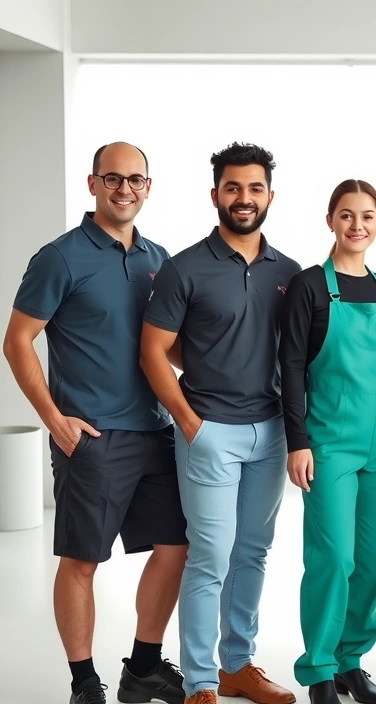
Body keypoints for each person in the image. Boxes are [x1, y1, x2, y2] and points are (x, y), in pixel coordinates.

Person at [3, 142, 188, 704]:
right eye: (112, 178)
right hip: (93, 435)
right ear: (93, 184)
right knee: (82, 560)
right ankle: (84, 682)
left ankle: (144, 668)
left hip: (156, 429)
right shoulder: (60, 258)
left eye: (135, 179)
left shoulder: (159, 258)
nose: (124, 189)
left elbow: (169, 346)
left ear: (148, 187)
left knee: (177, 547)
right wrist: (55, 420)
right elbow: (17, 341)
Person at [139, 142, 301, 704]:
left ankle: (237, 664)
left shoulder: (290, 273)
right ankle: (200, 681)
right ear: (215, 195)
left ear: (270, 196)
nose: (244, 197)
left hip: (271, 433)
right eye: (233, 187)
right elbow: (153, 351)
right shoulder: (184, 268)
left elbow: (296, 358)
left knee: (252, 551)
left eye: (255, 188)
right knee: (210, 555)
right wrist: (189, 423)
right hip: (209, 432)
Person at [279, 179, 376, 704]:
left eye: (367, 216)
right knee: (332, 556)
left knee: (374, 559)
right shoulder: (309, 286)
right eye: (347, 215)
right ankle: (320, 668)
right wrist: (297, 440)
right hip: (328, 437)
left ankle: (351, 660)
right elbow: (290, 367)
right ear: (330, 220)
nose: (357, 225)